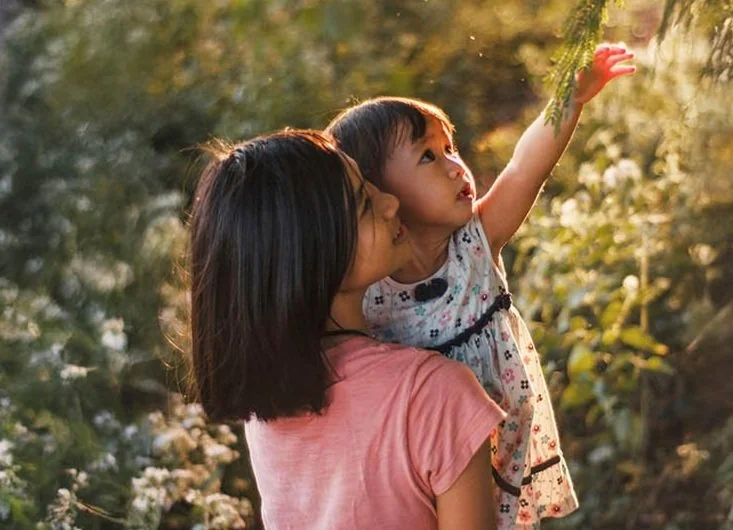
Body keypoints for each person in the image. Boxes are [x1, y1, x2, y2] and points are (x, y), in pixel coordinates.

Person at [326, 44, 635, 528]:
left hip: (499, 442)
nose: (455, 166)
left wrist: (570, 101)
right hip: (422, 459)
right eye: (428, 156)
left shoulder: (476, 241)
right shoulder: (365, 286)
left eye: (451, 148)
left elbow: (523, 168)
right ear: (377, 193)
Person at [187, 129, 505, 530]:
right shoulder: (432, 393)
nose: (392, 203)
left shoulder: (268, 405)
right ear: (310, 253)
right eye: (364, 204)